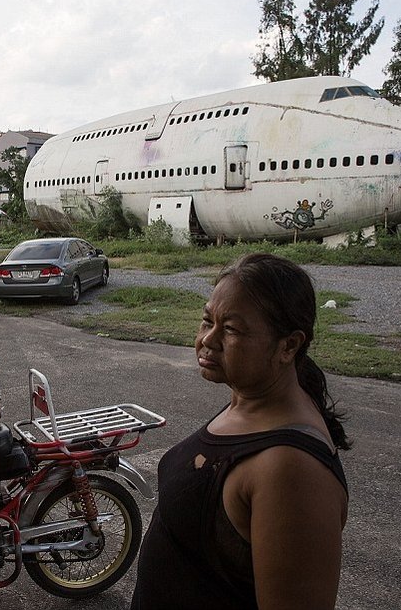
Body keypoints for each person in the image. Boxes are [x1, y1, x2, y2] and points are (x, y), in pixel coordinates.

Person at [131, 253, 350, 610]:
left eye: (231, 329)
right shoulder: (247, 402)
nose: (208, 340)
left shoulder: (291, 470)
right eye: (207, 321)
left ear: (289, 346)